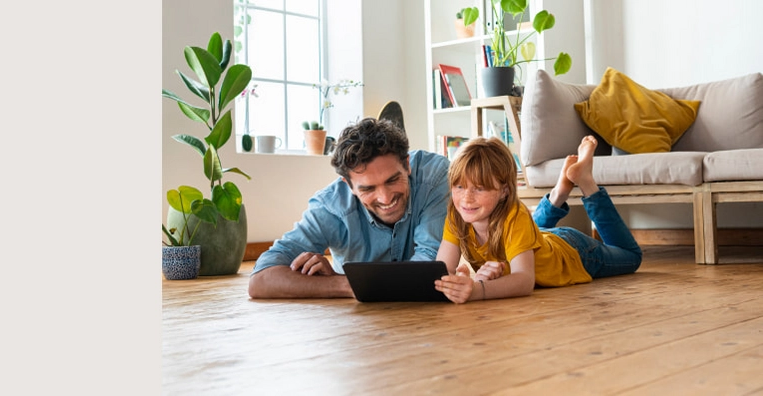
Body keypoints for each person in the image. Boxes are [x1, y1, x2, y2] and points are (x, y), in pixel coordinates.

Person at [247, 117, 451, 299]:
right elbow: (260, 280)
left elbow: (429, 268)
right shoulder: (331, 207)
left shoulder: (434, 177)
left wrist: (364, 286)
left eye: (392, 180)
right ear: (348, 185)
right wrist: (344, 284)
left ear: (407, 165)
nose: (385, 197)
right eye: (368, 188)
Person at [433, 136, 642, 304]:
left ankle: (586, 182)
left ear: (505, 190)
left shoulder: (515, 215)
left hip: (573, 252)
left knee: (632, 257)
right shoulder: (456, 214)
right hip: (540, 237)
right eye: (459, 186)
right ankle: (559, 193)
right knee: (529, 229)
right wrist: (454, 282)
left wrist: (479, 290)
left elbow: (524, 280)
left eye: (479, 188)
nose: (466, 198)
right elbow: (441, 270)